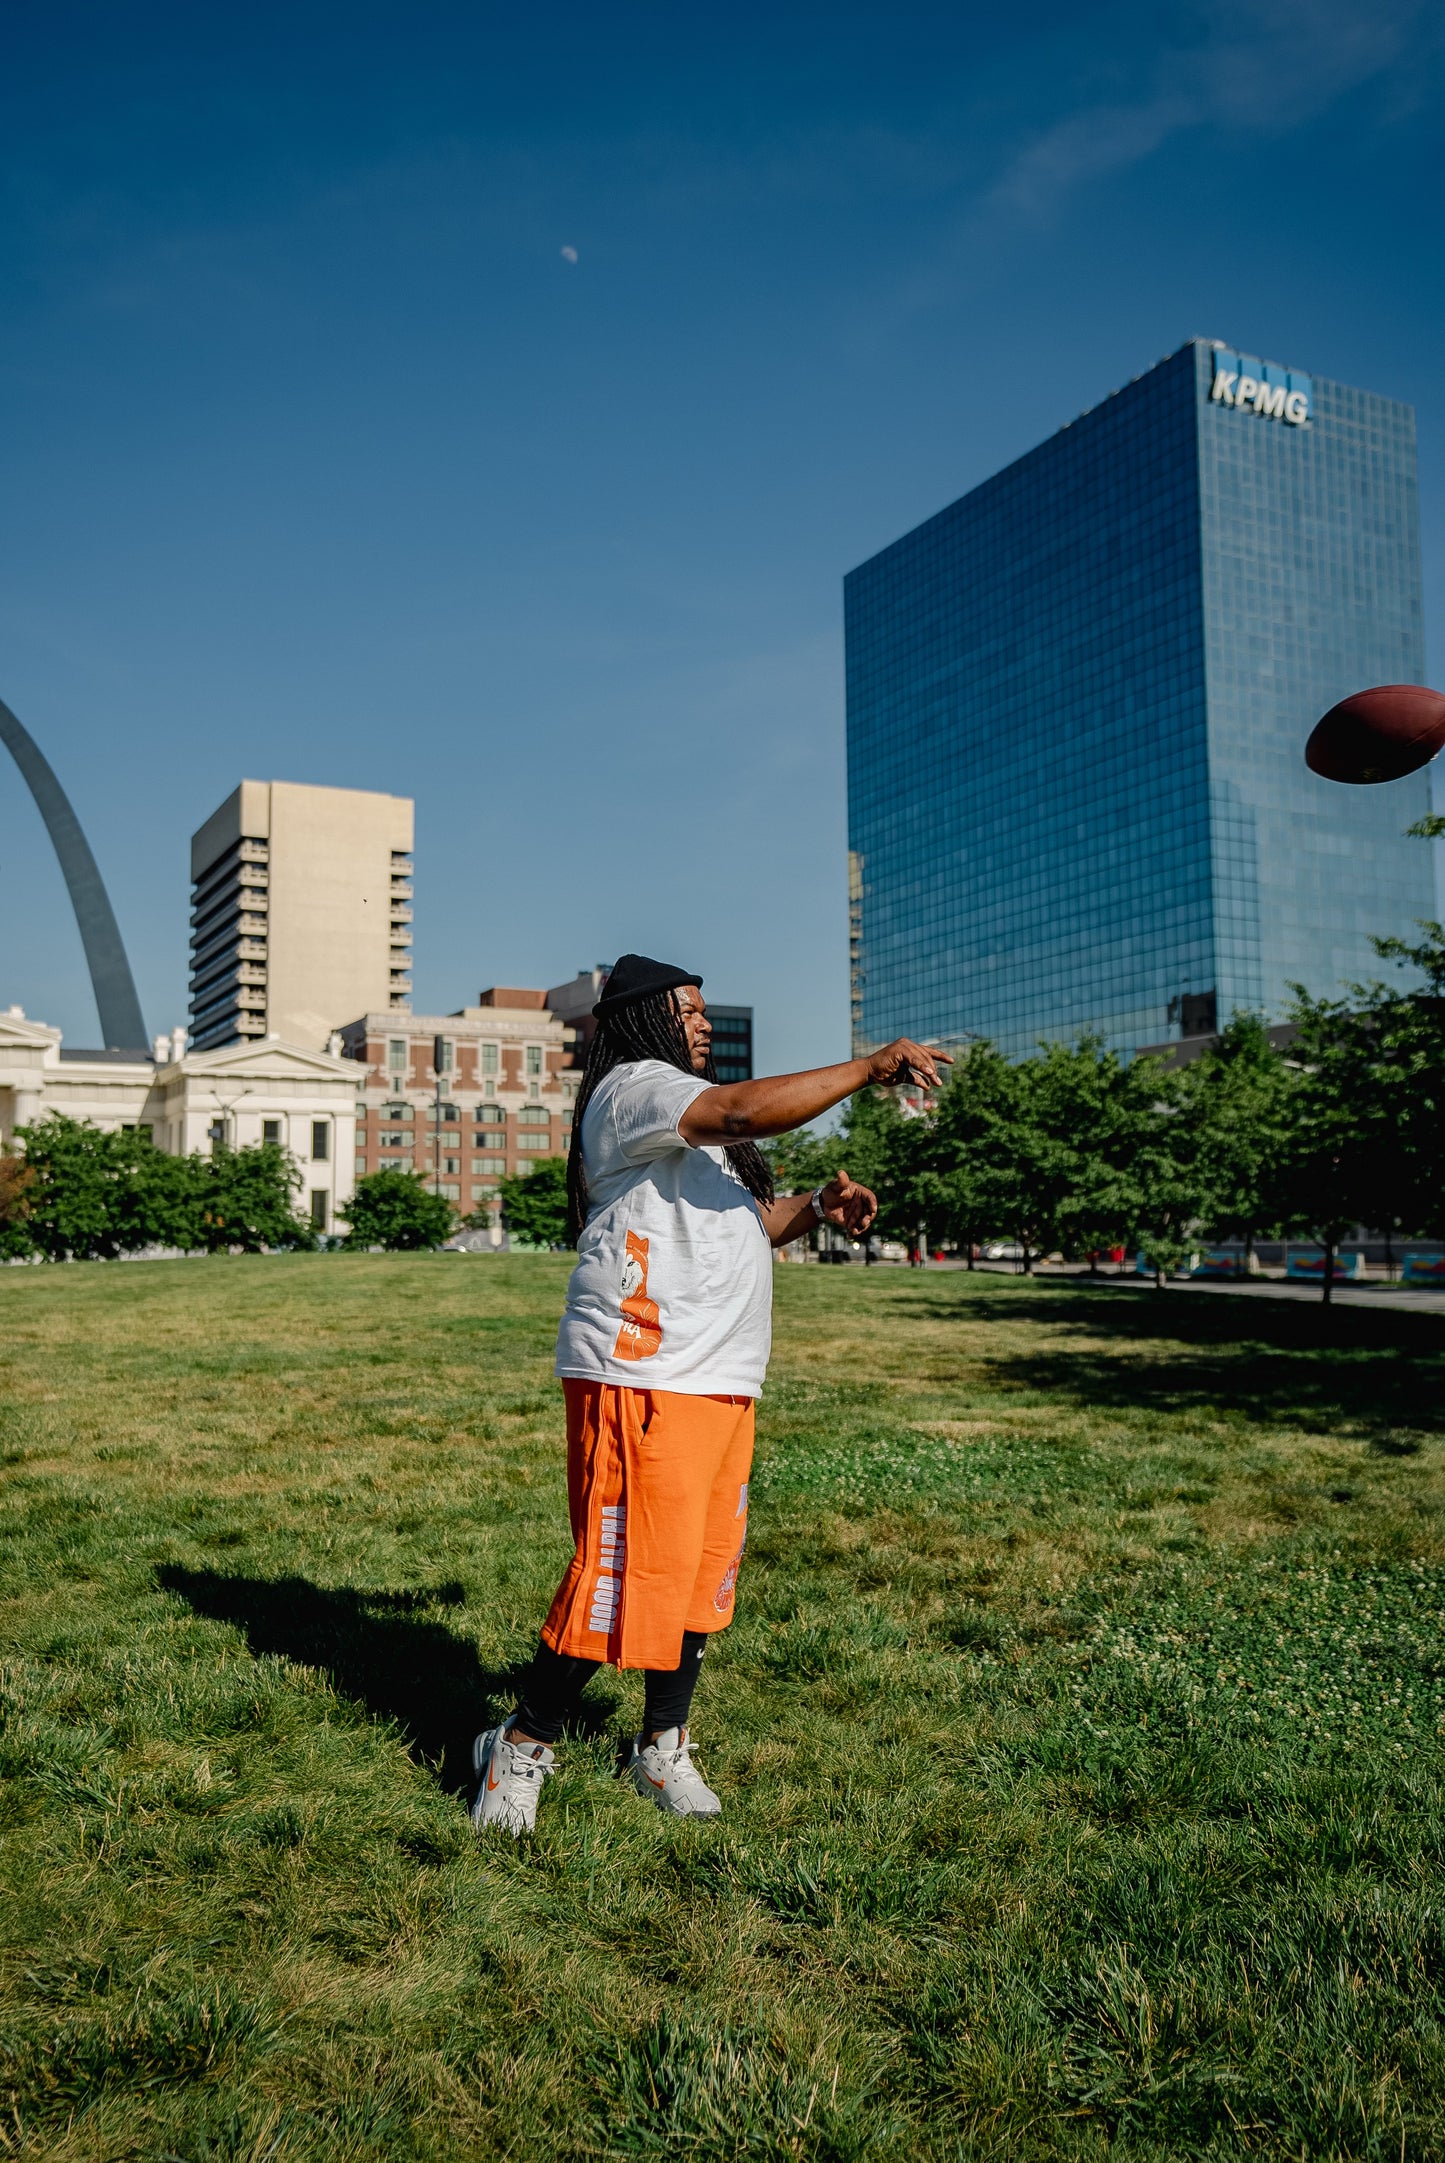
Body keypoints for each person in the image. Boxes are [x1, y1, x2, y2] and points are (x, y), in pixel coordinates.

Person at [471, 954, 948, 1835]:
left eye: (701, 1010)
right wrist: (867, 1066)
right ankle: (521, 1742)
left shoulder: (692, 1125)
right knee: (618, 1573)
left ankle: (661, 1746)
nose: (700, 1021)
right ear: (643, 1020)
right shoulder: (635, 1088)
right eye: (683, 1009)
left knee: (695, 1578)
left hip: (718, 1379)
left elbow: (746, 1223)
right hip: (641, 1372)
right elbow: (735, 1108)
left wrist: (815, 1207)